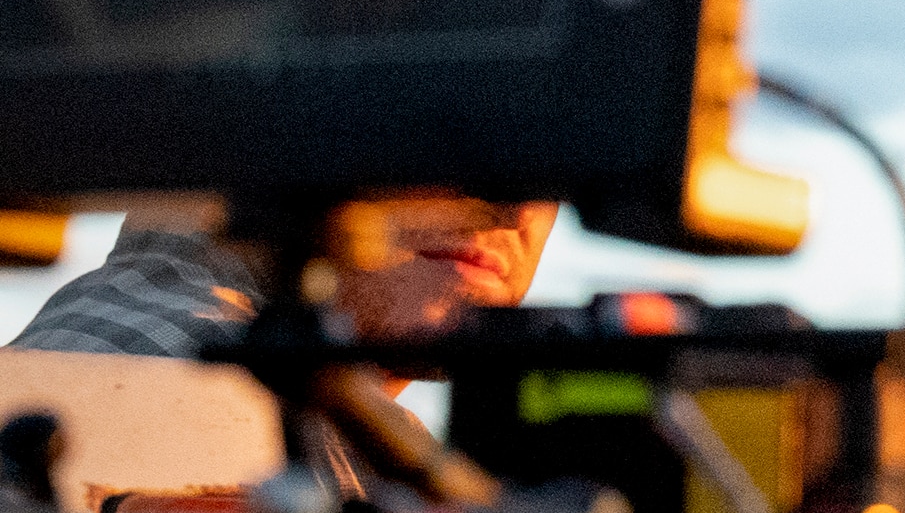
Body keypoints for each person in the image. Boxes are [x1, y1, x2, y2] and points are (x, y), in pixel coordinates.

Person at [11, 195, 559, 360]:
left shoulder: (337, 430)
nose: (517, 211)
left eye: (555, 156)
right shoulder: (173, 359)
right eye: (469, 137)